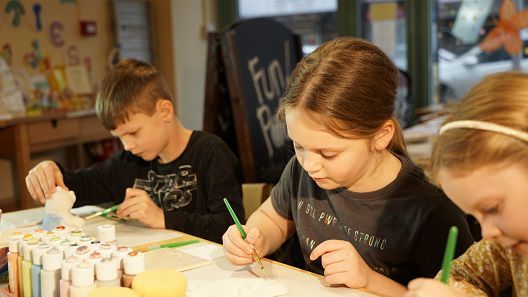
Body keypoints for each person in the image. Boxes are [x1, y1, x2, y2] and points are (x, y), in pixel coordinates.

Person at [222, 37, 473, 296]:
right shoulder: (301, 171)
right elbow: (272, 219)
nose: (310, 165)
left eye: (328, 153)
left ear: (380, 136)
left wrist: (369, 280)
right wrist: (254, 237)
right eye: (298, 146)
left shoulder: (432, 212)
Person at [25, 58, 244, 243]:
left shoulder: (211, 153)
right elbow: (82, 186)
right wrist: (51, 173)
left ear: (165, 111)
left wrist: (162, 218)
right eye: (119, 138)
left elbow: (231, 225)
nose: (127, 145)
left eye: (134, 133)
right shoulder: (128, 162)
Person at [405, 72, 528, 297]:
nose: (486, 232)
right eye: (475, 217)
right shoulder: (506, 242)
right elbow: (461, 275)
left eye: (492, 209)